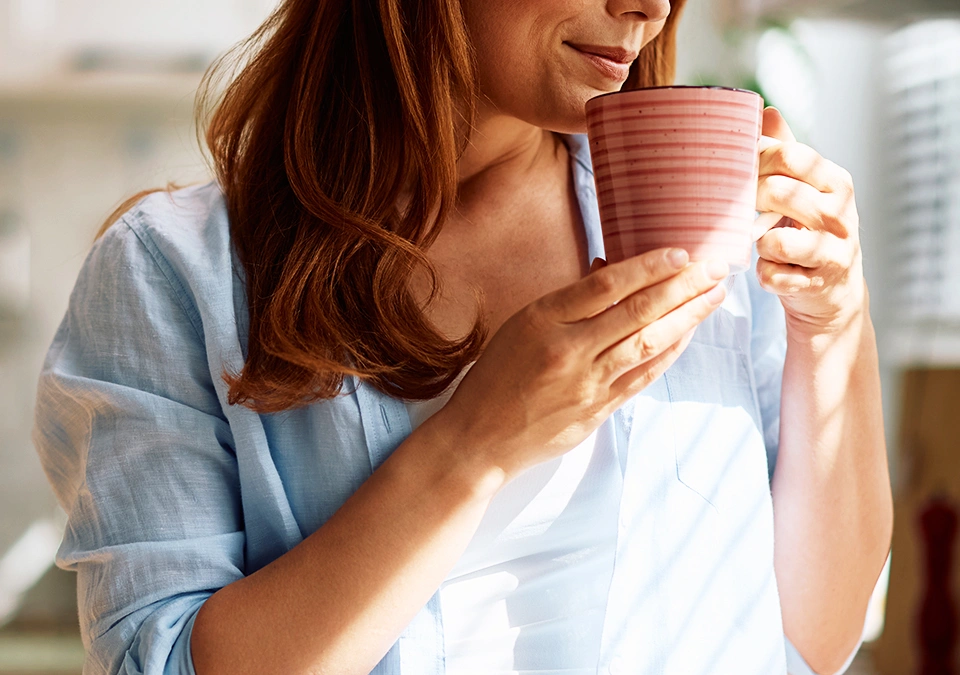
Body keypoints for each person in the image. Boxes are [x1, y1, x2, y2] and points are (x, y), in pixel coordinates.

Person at [32, 0, 893, 673]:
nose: (651, 9)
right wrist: (476, 444)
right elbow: (164, 663)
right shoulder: (175, 273)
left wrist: (836, 328)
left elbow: (814, 638)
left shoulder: (706, 218)